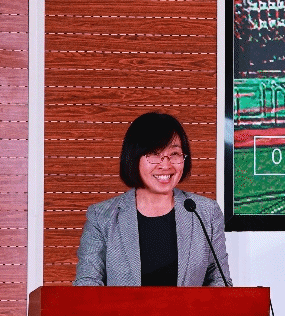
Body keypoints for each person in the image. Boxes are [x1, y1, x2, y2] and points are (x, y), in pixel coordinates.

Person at [74, 111, 231, 287]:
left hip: (191, 307)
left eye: (174, 154)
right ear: (134, 157)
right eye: (154, 154)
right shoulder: (102, 217)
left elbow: (220, 281)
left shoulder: (206, 212)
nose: (165, 164)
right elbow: (87, 284)